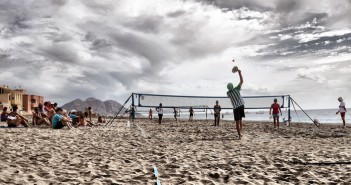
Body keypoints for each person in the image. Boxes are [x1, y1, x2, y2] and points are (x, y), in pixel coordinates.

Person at [227, 68, 245, 140]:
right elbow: (241, 81)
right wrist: (239, 73)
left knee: (237, 122)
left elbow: (231, 90)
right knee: (240, 120)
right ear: (233, 86)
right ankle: (240, 133)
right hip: (241, 106)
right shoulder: (237, 89)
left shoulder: (228, 93)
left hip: (235, 108)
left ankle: (239, 135)